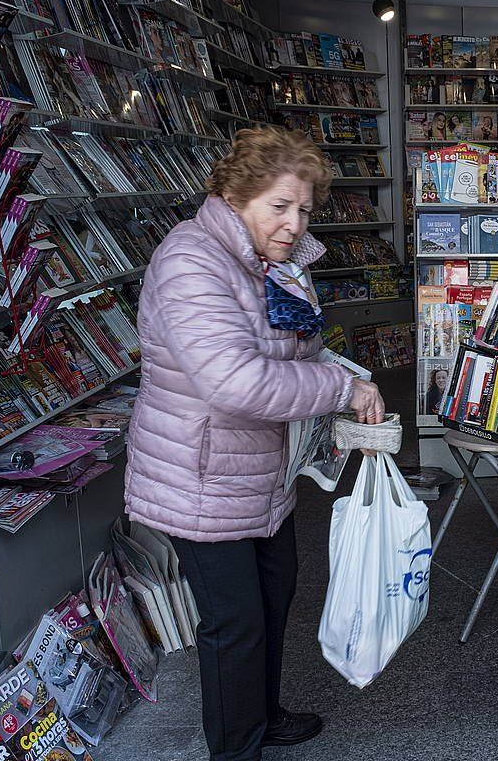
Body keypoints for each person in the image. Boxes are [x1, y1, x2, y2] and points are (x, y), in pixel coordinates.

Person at [123, 126, 385, 761]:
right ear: (237, 196)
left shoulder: (273, 262)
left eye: (304, 209)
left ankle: (262, 715)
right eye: (280, 206)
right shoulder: (191, 261)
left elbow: (303, 350)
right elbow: (233, 380)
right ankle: (236, 748)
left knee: (274, 597)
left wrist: (348, 377)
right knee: (233, 622)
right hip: (200, 474)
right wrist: (337, 390)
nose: (295, 224)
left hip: (261, 471)